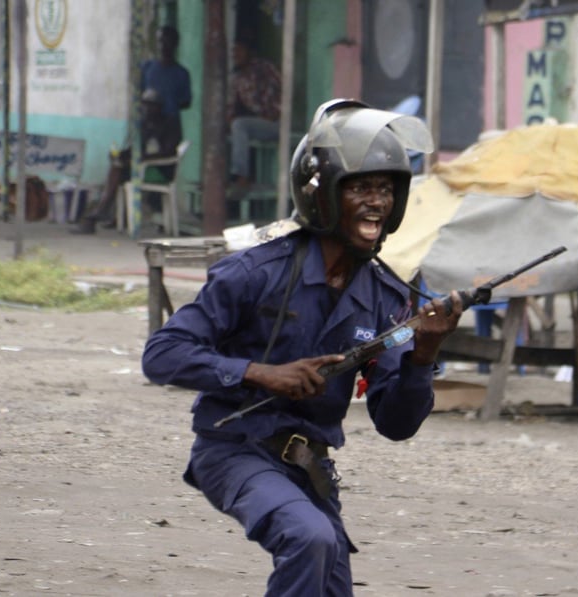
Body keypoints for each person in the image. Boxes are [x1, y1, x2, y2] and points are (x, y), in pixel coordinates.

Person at [141, 99, 456, 595]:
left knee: (328, 574)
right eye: (359, 187)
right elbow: (161, 354)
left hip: (310, 470)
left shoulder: (387, 299)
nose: (376, 202)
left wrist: (424, 354)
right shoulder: (256, 273)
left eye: (385, 189)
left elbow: (396, 424)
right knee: (308, 538)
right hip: (233, 452)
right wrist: (260, 373)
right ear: (323, 193)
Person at [71, 88, 180, 234]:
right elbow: (135, 149)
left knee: (117, 171)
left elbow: (169, 151)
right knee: (116, 167)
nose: (148, 108)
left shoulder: (169, 123)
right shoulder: (144, 124)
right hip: (143, 167)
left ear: (159, 106)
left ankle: (102, 208)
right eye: (145, 104)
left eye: (152, 105)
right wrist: (120, 156)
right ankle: (104, 210)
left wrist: (141, 159)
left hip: (160, 171)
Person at [228, 32, 282, 190]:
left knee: (239, 125)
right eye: (233, 50)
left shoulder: (264, 68)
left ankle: (241, 175)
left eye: (239, 50)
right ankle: (229, 178)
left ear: (249, 51)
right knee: (233, 126)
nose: (235, 54)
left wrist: (277, 111)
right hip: (260, 122)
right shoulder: (237, 76)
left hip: (277, 122)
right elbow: (231, 105)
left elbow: (283, 89)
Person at [141, 25, 191, 142]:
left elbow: (186, 101)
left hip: (170, 124)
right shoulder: (147, 68)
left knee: (169, 157)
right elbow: (141, 94)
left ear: (175, 44)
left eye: (167, 41)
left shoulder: (181, 73)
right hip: (149, 124)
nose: (163, 45)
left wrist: (168, 103)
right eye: (160, 41)